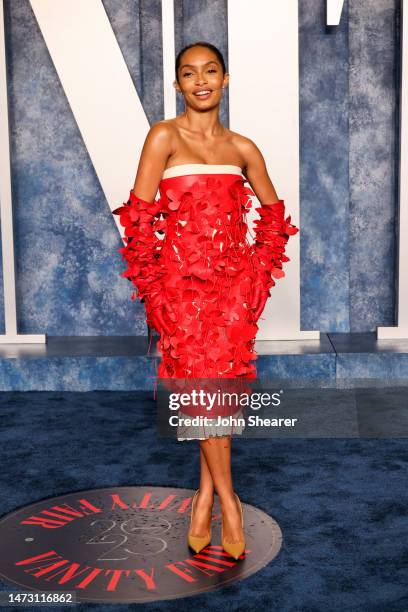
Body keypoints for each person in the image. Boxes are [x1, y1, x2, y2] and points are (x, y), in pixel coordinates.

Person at [113, 41, 299, 560]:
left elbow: (275, 218)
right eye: (189, 73)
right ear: (177, 84)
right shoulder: (163, 137)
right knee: (204, 394)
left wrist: (254, 280)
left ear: (225, 80)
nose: (200, 81)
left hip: (231, 295)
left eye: (210, 71)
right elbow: (139, 220)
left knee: (213, 395)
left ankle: (206, 496)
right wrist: (157, 291)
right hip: (180, 295)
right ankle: (228, 500)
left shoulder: (242, 148)